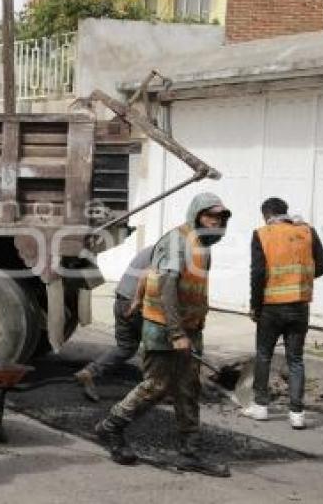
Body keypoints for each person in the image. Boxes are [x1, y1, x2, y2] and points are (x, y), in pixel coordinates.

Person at [95, 192, 232, 477]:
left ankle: (189, 453)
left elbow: (154, 277)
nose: (215, 222)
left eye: (220, 218)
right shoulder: (177, 240)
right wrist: (176, 332)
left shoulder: (202, 246)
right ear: (196, 215)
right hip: (164, 330)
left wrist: (190, 331)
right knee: (155, 387)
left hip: (190, 330)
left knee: (188, 390)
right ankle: (110, 427)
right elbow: (167, 284)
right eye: (210, 216)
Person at [242, 197, 323, 429]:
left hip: (271, 306)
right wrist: (299, 279)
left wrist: (255, 305)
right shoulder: (306, 232)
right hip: (300, 306)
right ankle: (297, 413)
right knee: (296, 359)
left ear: (266, 215)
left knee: (263, 355)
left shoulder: (262, 234)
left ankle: (261, 407)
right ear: (285, 212)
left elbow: (258, 273)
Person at [75, 245, 154, 402]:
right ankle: (155, 389)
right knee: (158, 347)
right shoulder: (172, 251)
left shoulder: (154, 248)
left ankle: (90, 372)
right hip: (136, 304)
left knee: (125, 347)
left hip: (121, 299)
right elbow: (148, 275)